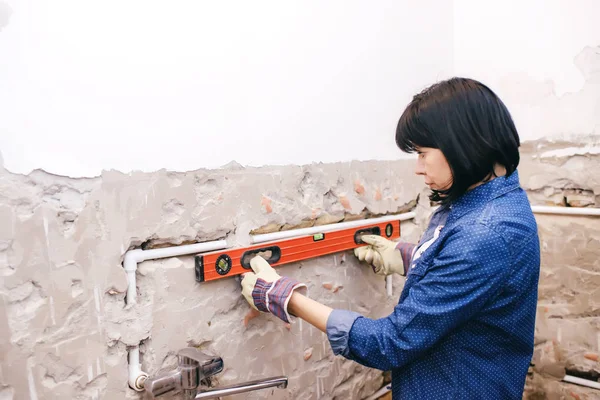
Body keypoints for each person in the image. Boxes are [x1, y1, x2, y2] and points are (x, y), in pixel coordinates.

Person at [240, 77, 541, 399]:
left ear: (463, 145)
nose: (418, 168)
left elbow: (390, 343)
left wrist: (286, 298)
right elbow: (476, 282)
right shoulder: (500, 202)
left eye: (424, 153)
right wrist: (413, 256)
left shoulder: (484, 234)